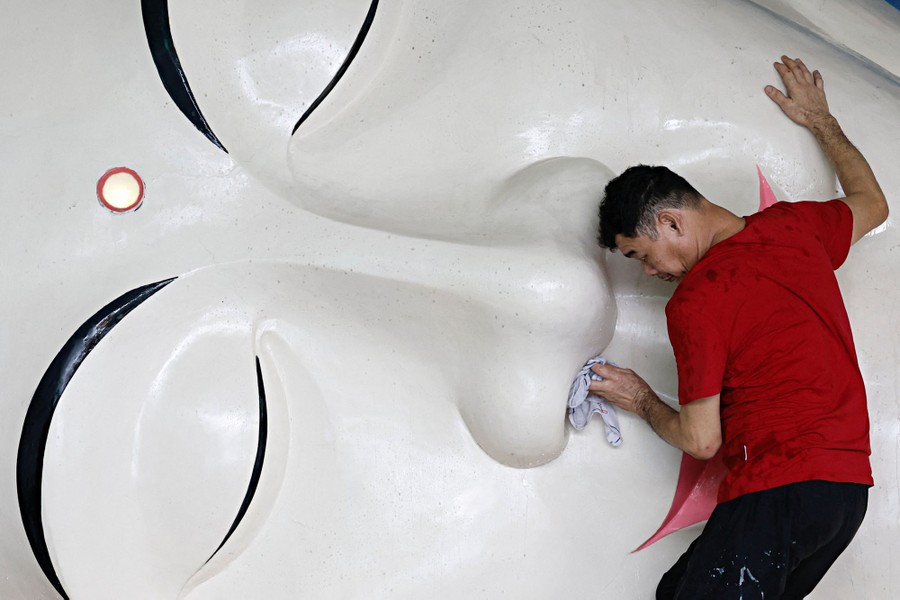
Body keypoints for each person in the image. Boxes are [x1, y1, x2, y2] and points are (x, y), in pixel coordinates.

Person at [590, 56, 889, 599]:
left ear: (671, 221)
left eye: (641, 255)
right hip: (845, 495)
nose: (652, 272)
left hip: (779, 489)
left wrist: (639, 399)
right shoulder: (795, 228)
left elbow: (701, 441)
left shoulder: (698, 298)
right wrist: (822, 121)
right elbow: (873, 204)